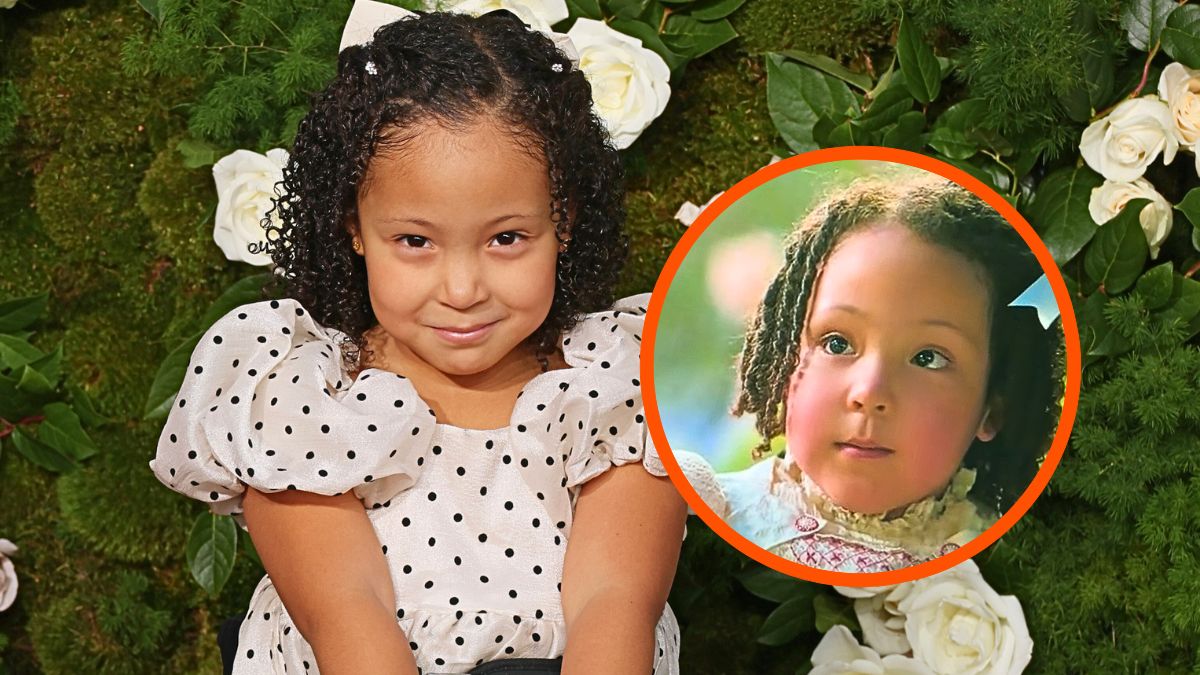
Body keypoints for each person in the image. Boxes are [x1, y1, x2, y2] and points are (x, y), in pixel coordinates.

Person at [150, 6, 686, 674]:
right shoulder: (302, 397)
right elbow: (347, 618)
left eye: (507, 238)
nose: (462, 288)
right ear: (353, 226)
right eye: (414, 241)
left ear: (565, 221)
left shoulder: (617, 390)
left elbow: (617, 605)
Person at [676, 175, 1062, 573]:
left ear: (991, 410)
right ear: (788, 361)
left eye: (928, 357)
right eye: (837, 344)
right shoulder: (706, 510)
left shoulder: (1011, 561)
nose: (869, 391)